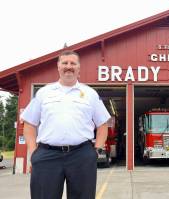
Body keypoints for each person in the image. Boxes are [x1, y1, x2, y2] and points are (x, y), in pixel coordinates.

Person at [21, 50, 111, 199]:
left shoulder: (90, 94)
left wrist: (96, 150)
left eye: (73, 63)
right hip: (47, 155)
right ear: (58, 66)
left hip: (81, 155)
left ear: (79, 67)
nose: (69, 66)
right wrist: (33, 152)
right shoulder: (44, 93)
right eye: (65, 63)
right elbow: (30, 124)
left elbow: (102, 124)